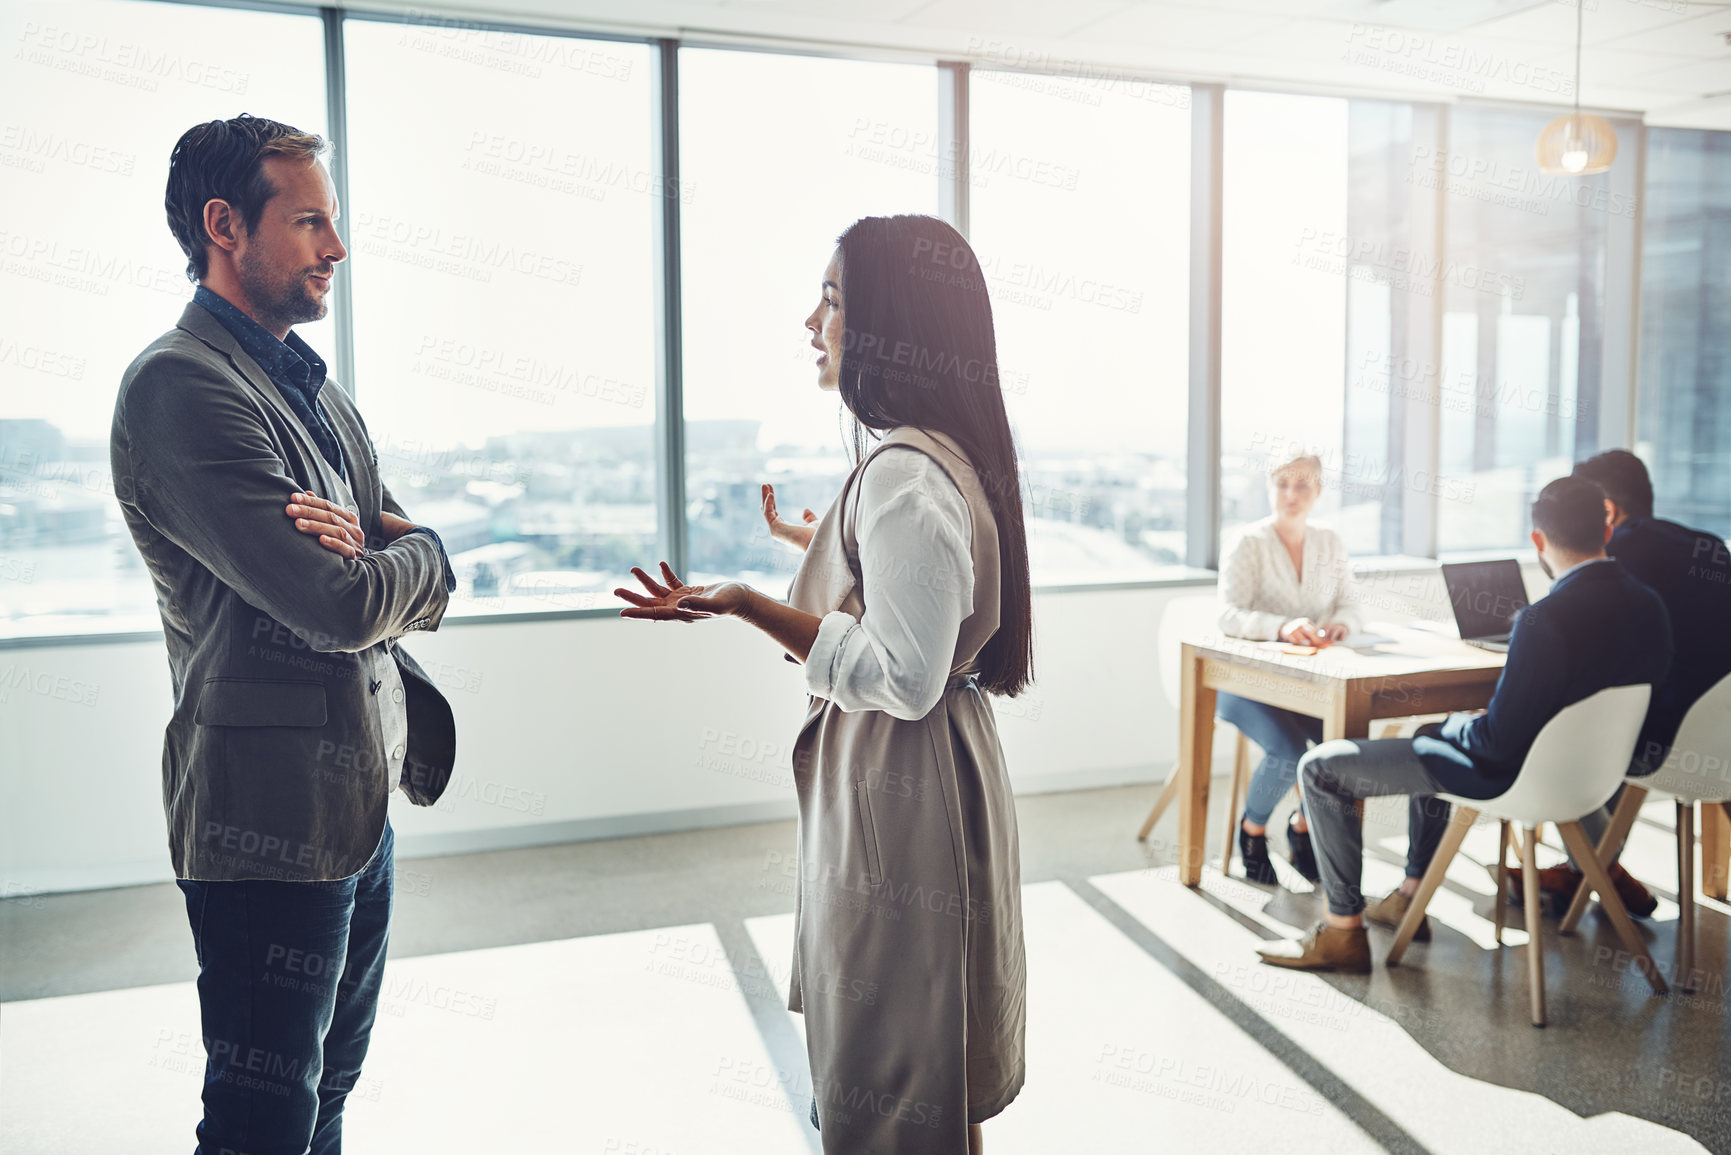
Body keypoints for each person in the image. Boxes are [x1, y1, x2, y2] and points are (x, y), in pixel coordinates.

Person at [615, 215, 1029, 1154]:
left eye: (834, 299)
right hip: (936, 776)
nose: (812, 321)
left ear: (894, 322)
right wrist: (826, 547)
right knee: (937, 1066)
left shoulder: (901, 471)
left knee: (892, 1080)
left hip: (900, 784)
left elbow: (901, 675)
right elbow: (924, 597)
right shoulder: (944, 455)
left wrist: (746, 603)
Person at [110, 115, 458, 1154]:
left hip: (358, 806)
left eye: (333, 221)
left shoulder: (312, 390)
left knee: (330, 1095)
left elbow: (390, 561)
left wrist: (400, 555)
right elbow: (344, 602)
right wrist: (420, 557)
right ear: (225, 225)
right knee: (264, 1118)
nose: (335, 249)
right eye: (309, 222)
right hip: (265, 830)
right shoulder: (182, 388)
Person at [1257, 476, 1672, 972]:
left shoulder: (1545, 621)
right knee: (1432, 737)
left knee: (1322, 768)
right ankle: (1410, 895)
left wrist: (1454, 724)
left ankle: (1343, 931)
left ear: (1538, 540)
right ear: (1607, 523)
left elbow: (1495, 746)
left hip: (1515, 778)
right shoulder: (1651, 605)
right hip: (1593, 780)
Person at [1508, 449, 1731, 910]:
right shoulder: (1707, 545)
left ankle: (1594, 871)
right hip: (1721, 740)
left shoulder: (1612, 559)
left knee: (1569, 727)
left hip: (1663, 743)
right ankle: (1589, 872)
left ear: (1605, 511)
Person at [1214, 448, 1359, 884]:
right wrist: (1281, 627)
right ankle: (1252, 831)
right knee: (1290, 751)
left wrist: (1340, 624)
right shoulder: (1248, 541)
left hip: (1308, 683)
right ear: (1269, 487)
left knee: (1343, 748)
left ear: (1317, 491)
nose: (1291, 494)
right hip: (1244, 682)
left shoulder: (1329, 541)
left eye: (1302, 485)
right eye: (1282, 484)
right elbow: (1228, 615)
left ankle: (1302, 826)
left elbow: (1351, 603)